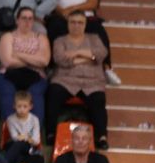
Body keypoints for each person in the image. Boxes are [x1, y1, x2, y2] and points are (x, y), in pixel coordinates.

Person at [44, 11, 110, 147]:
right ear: (67, 24)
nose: (76, 26)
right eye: (73, 22)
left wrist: (76, 53)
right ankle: (51, 133)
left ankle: (101, 137)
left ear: (85, 24)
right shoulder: (60, 40)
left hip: (92, 81)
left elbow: (101, 54)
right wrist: (89, 57)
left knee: (98, 99)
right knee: (53, 92)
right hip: (65, 80)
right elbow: (60, 59)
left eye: (80, 22)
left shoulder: (94, 38)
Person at [0, 6, 52, 125]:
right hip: (8, 73)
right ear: (17, 20)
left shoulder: (41, 38)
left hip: (36, 75)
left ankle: (35, 133)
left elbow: (45, 61)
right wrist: (34, 58)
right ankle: (9, 131)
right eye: (24, 18)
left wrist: (18, 54)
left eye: (30, 19)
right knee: (7, 92)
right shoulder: (8, 37)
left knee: (35, 94)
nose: (27, 22)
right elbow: (8, 62)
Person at [5, 91, 43, 163]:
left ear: (30, 106)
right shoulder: (10, 119)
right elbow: (14, 137)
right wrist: (28, 138)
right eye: (19, 106)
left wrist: (24, 138)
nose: (22, 109)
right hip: (14, 145)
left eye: (25, 106)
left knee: (23, 147)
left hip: (29, 147)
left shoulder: (34, 119)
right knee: (19, 151)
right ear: (14, 106)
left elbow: (36, 141)